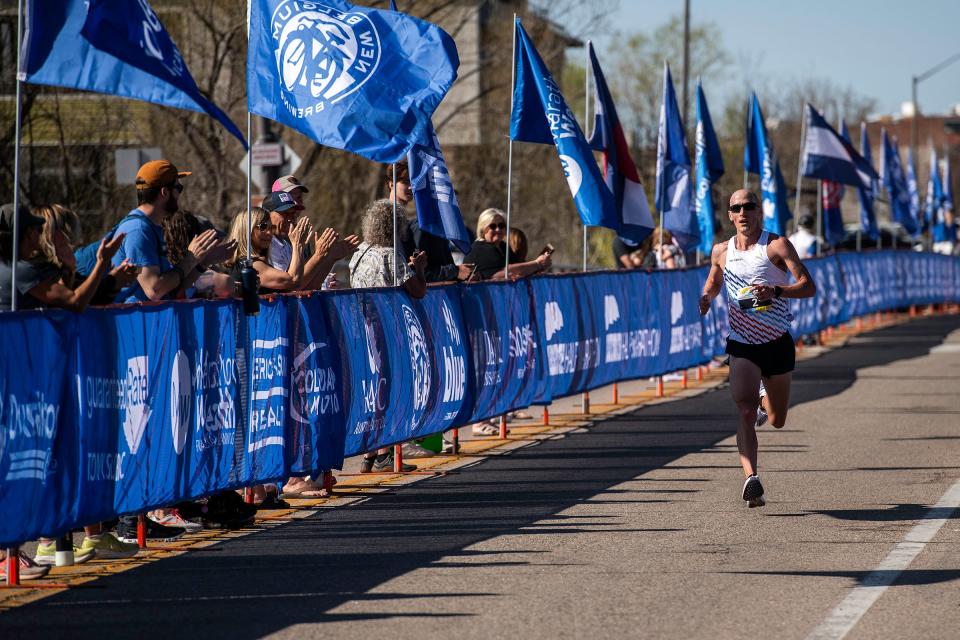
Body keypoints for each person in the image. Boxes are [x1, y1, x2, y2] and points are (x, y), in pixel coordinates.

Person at [0, 202, 134, 579]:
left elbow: (79, 290)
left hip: (31, 377)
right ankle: (11, 552)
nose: (34, 237)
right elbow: (74, 301)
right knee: (12, 464)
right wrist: (104, 262)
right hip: (15, 377)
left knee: (30, 462)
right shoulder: (20, 268)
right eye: (31, 231)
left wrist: (106, 278)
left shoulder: (33, 267)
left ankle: (32, 542)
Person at [698, 190, 816, 508]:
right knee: (745, 410)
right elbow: (714, 280)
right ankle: (752, 479)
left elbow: (808, 285)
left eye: (749, 206)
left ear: (758, 211)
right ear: (730, 215)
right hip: (743, 344)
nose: (743, 212)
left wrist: (776, 290)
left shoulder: (776, 245)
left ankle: (767, 400)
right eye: (736, 208)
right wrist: (707, 297)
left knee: (777, 419)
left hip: (777, 342)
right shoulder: (721, 250)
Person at [350, 199, 427, 472]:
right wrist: (419, 267)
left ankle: (370, 453)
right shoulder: (388, 255)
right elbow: (417, 290)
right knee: (387, 387)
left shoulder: (358, 253)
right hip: (385, 329)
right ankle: (384, 453)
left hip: (361, 329)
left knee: (372, 389)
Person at [111, 160, 231, 303]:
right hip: (134, 322)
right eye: (178, 188)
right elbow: (154, 290)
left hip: (152, 321)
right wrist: (191, 258)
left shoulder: (153, 228)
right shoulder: (138, 230)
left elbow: (172, 289)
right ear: (165, 192)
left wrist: (202, 263)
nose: (180, 194)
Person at [389, 161, 476, 283]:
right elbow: (418, 270)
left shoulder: (440, 227)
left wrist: (460, 273)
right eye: (405, 182)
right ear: (391, 184)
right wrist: (455, 271)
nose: (410, 187)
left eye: (413, 182)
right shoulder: (420, 225)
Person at [35, 204, 138, 306]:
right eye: (66, 238)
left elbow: (92, 296)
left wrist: (114, 280)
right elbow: (75, 301)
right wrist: (103, 264)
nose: (71, 244)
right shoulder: (36, 272)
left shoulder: (61, 271)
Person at [463, 208, 551, 280]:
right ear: (482, 229)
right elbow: (508, 271)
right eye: (493, 226)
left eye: (501, 226)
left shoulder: (503, 246)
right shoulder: (481, 248)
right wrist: (537, 264)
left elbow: (518, 267)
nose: (498, 230)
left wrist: (540, 266)